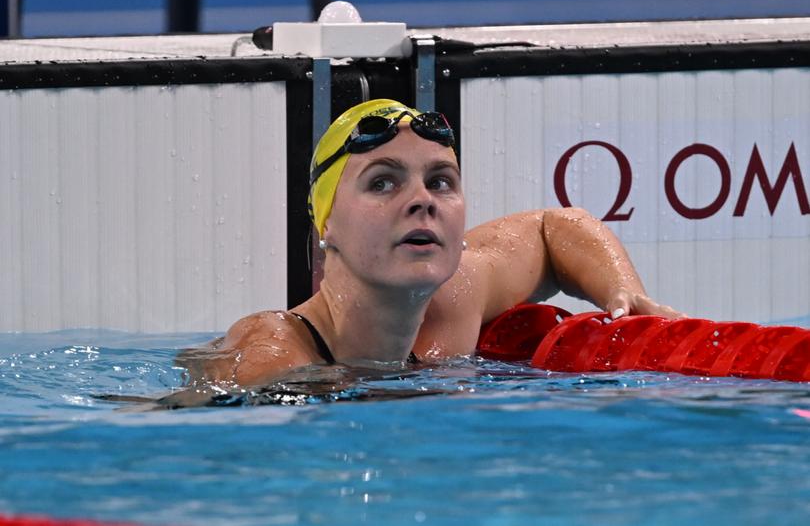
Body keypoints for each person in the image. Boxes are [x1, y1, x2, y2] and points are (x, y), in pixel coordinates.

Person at [178, 98, 682, 390]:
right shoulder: (275, 359)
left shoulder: (456, 297)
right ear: (325, 225)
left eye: (441, 181)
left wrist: (623, 294)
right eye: (382, 182)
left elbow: (553, 227)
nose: (423, 202)